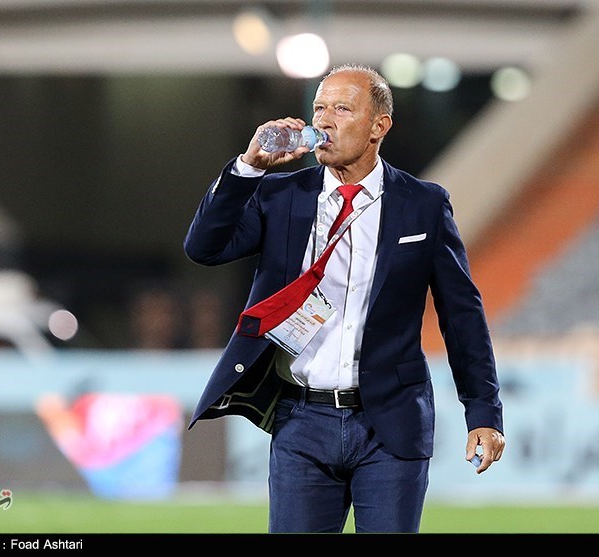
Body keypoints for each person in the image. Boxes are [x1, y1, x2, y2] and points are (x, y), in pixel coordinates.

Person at [183, 63, 504, 533]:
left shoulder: (423, 204)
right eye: (319, 108)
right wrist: (248, 168)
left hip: (390, 422)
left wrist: (483, 412)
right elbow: (204, 248)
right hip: (301, 420)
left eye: (341, 108)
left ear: (379, 126)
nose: (323, 120)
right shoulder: (280, 195)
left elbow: (462, 316)